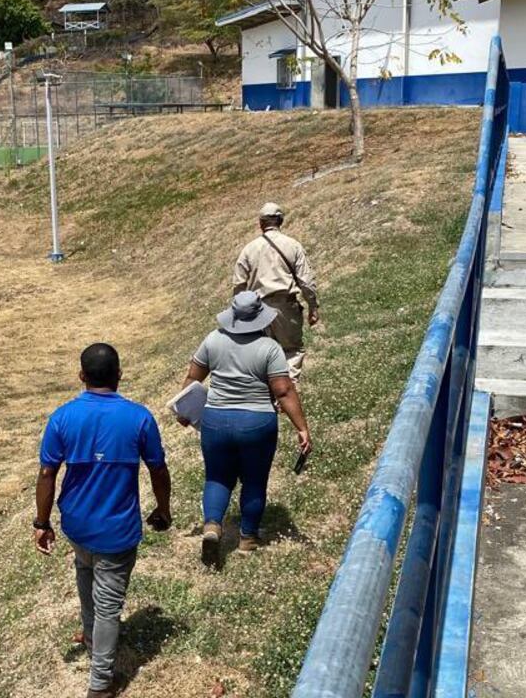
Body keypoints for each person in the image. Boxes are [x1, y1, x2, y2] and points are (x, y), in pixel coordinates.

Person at [34, 343, 172, 698]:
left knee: (85, 573)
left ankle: (94, 638)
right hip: (117, 529)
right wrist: (163, 508)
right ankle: (100, 683)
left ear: (81, 376)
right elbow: (158, 468)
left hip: (77, 524)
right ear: (119, 375)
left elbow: (47, 473)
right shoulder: (139, 417)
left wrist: (42, 522)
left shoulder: (62, 417)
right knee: (109, 604)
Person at [180, 291, 311, 568]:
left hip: (215, 420)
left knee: (216, 477)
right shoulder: (269, 347)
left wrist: (184, 409)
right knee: (254, 480)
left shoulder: (213, 339)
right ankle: (248, 537)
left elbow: (193, 378)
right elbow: (283, 390)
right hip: (256, 422)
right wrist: (302, 428)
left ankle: (213, 526)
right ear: (260, 317)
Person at [232, 202, 320, 384]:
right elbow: (306, 281)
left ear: (260, 223)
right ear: (280, 221)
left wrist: (241, 313)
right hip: (286, 306)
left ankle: (268, 394)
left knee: (264, 354)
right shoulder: (293, 245)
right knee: (291, 351)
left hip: (257, 309)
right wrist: (313, 306)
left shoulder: (249, 249)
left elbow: (239, 283)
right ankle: (288, 394)